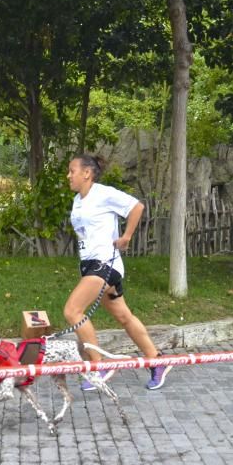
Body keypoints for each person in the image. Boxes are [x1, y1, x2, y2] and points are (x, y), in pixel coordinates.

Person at [64, 154, 167, 390]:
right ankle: (157, 361)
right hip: (89, 265)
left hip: (105, 264)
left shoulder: (103, 193)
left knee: (72, 310)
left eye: (72, 171)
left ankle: (99, 365)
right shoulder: (78, 200)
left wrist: (126, 237)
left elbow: (136, 207)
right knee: (124, 317)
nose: (69, 175)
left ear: (87, 173)